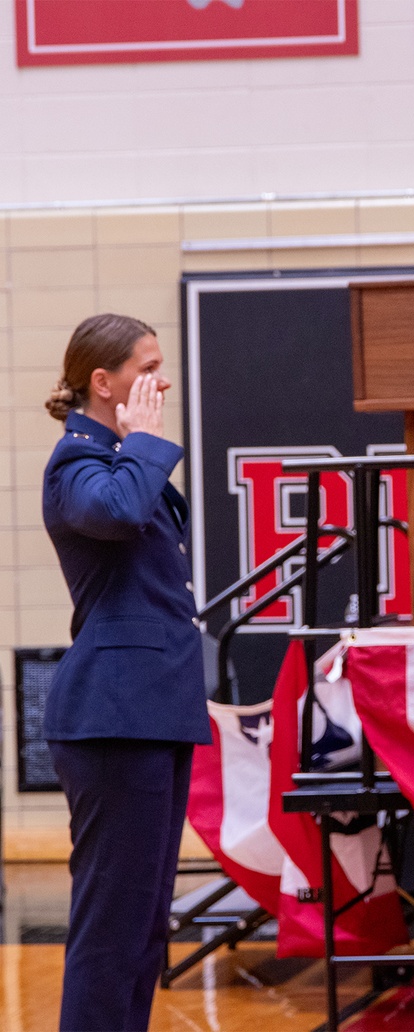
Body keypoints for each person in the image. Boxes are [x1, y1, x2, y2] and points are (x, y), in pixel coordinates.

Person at [43, 313, 212, 1032]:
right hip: (113, 717)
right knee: (112, 933)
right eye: (148, 368)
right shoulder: (76, 463)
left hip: (151, 709)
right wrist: (140, 439)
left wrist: (136, 444)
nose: (162, 381)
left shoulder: (115, 460)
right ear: (102, 383)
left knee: (145, 930)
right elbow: (116, 511)